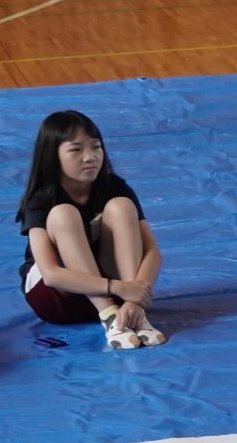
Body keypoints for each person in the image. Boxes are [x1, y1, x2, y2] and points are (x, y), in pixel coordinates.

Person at [16, 110, 166, 347]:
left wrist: (135, 300)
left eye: (96, 147)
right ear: (52, 156)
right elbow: (52, 275)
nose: (90, 157)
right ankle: (109, 317)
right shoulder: (41, 200)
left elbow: (153, 253)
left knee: (121, 206)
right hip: (58, 299)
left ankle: (133, 318)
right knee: (63, 214)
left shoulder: (115, 187)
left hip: (120, 294)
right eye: (76, 149)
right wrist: (117, 288)